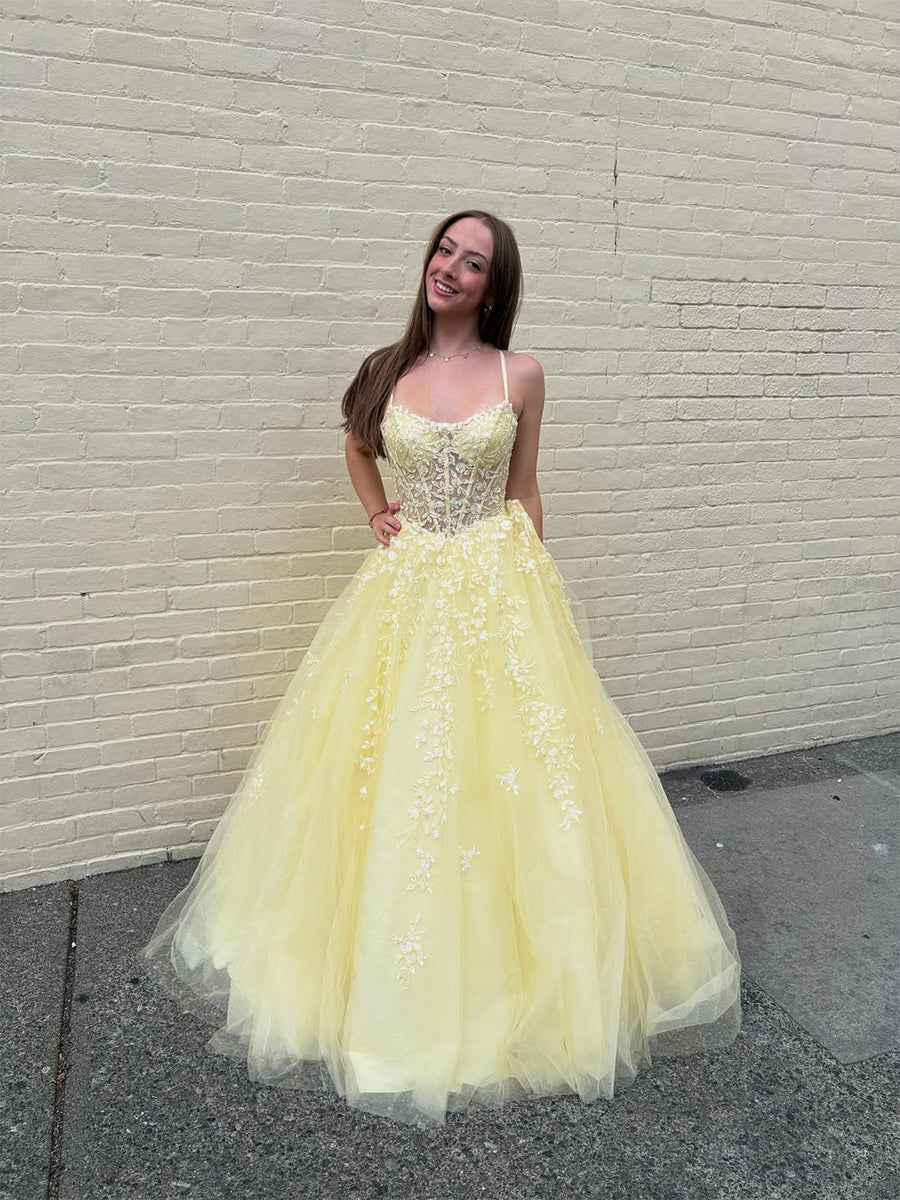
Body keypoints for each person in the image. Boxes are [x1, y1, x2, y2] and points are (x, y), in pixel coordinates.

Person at [141, 209, 742, 1128]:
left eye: (474, 262)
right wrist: (376, 511)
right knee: (396, 760)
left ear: (495, 286)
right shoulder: (388, 370)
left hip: (500, 584)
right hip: (410, 586)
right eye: (444, 250)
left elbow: (524, 487)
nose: (451, 268)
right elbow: (356, 442)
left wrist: (537, 589)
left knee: (516, 769)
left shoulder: (519, 374)